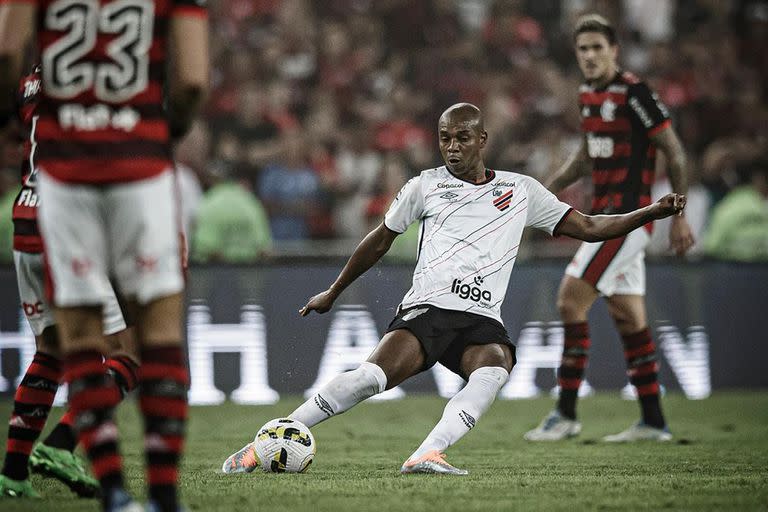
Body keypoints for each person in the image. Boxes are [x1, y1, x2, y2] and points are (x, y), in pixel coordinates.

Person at [221, 103, 687, 476]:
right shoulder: (424, 186)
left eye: (462, 137)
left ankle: (427, 453)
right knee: (369, 380)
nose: (452, 147)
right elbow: (379, 239)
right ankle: (261, 444)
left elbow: (587, 226)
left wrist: (650, 212)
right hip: (430, 309)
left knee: (495, 367)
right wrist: (333, 291)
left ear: (482, 140)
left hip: (482, 319)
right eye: (444, 138)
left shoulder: (520, 190)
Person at [0, 1, 209, 510]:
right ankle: (157, 492)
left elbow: (8, 53)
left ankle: (85, 486)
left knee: (61, 346)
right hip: (131, 170)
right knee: (145, 344)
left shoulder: (35, 82)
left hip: (44, 199)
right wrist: (165, 134)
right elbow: (191, 83)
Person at [524, 14, 695, 443]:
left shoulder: (635, 93)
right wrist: (544, 193)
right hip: (602, 217)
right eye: (583, 49)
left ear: (614, 51)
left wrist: (679, 215)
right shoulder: (586, 94)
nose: (590, 55)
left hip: (629, 220)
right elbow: (585, 158)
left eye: (598, 47)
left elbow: (674, 152)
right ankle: (653, 421)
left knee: (569, 300)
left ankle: (564, 414)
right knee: (629, 318)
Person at [0, 65, 141, 500]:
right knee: (129, 353)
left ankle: (13, 472)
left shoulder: (30, 80)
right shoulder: (91, 75)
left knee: (51, 351)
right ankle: (62, 444)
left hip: (26, 220)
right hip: (68, 229)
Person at [703, 158, 768, 262]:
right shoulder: (736, 204)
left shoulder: (729, 205)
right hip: (746, 269)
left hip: (747, 268)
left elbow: (711, 246)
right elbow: (711, 246)